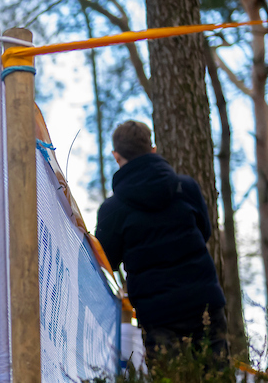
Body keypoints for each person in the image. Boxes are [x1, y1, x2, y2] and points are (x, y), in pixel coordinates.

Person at [95, 121, 227, 367]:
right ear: (152, 150)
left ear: (116, 156)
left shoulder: (112, 210)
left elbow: (107, 261)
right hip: (205, 304)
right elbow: (205, 232)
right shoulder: (186, 188)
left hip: (158, 317)